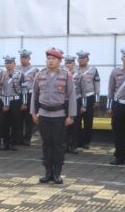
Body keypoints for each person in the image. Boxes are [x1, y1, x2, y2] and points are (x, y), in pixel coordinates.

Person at [31, 49, 76, 184]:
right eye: (48, 58)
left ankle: (57, 173)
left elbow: (71, 95)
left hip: (59, 115)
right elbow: (34, 95)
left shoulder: (66, 75)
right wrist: (33, 113)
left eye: (53, 59)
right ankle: (47, 172)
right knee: (46, 144)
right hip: (44, 114)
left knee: (58, 144)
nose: (50, 61)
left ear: (59, 61)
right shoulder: (40, 75)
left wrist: (71, 115)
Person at [77, 50, 100, 149]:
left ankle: (86, 142)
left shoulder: (93, 69)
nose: (81, 60)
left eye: (83, 58)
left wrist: (97, 99)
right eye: (80, 58)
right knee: (76, 120)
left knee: (88, 121)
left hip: (89, 96)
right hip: (77, 97)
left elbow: (97, 84)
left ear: (87, 59)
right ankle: (77, 141)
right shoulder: (74, 69)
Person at [1, 55, 23, 151]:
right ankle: (5, 142)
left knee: (15, 122)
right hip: (4, 101)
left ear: (14, 64)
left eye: (10, 63)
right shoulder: (1, 74)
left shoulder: (20, 74)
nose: (8, 65)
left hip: (16, 100)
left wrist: (24, 103)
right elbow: (1, 89)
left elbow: (24, 89)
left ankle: (14, 143)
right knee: (5, 123)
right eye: (7, 63)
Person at [17, 50, 38, 145]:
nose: (23, 59)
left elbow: (37, 84)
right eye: (22, 57)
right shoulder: (16, 69)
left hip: (30, 95)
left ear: (29, 59)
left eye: (25, 58)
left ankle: (27, 139)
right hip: (19, 94)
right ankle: (19, 138)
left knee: (29, 118)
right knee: (19, 118)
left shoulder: (34, 70)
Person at [64, 55, 82, 154]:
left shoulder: (79, 75)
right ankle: (65, 145)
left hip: (76, 101)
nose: (68, 65)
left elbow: (83, 90)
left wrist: (83, 104)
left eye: (70, 63)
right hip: (64, 102)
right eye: (67, 63)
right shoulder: (62, 74)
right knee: (64, 124)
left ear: (74, 64)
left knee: (75, 124)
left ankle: (73, 146)